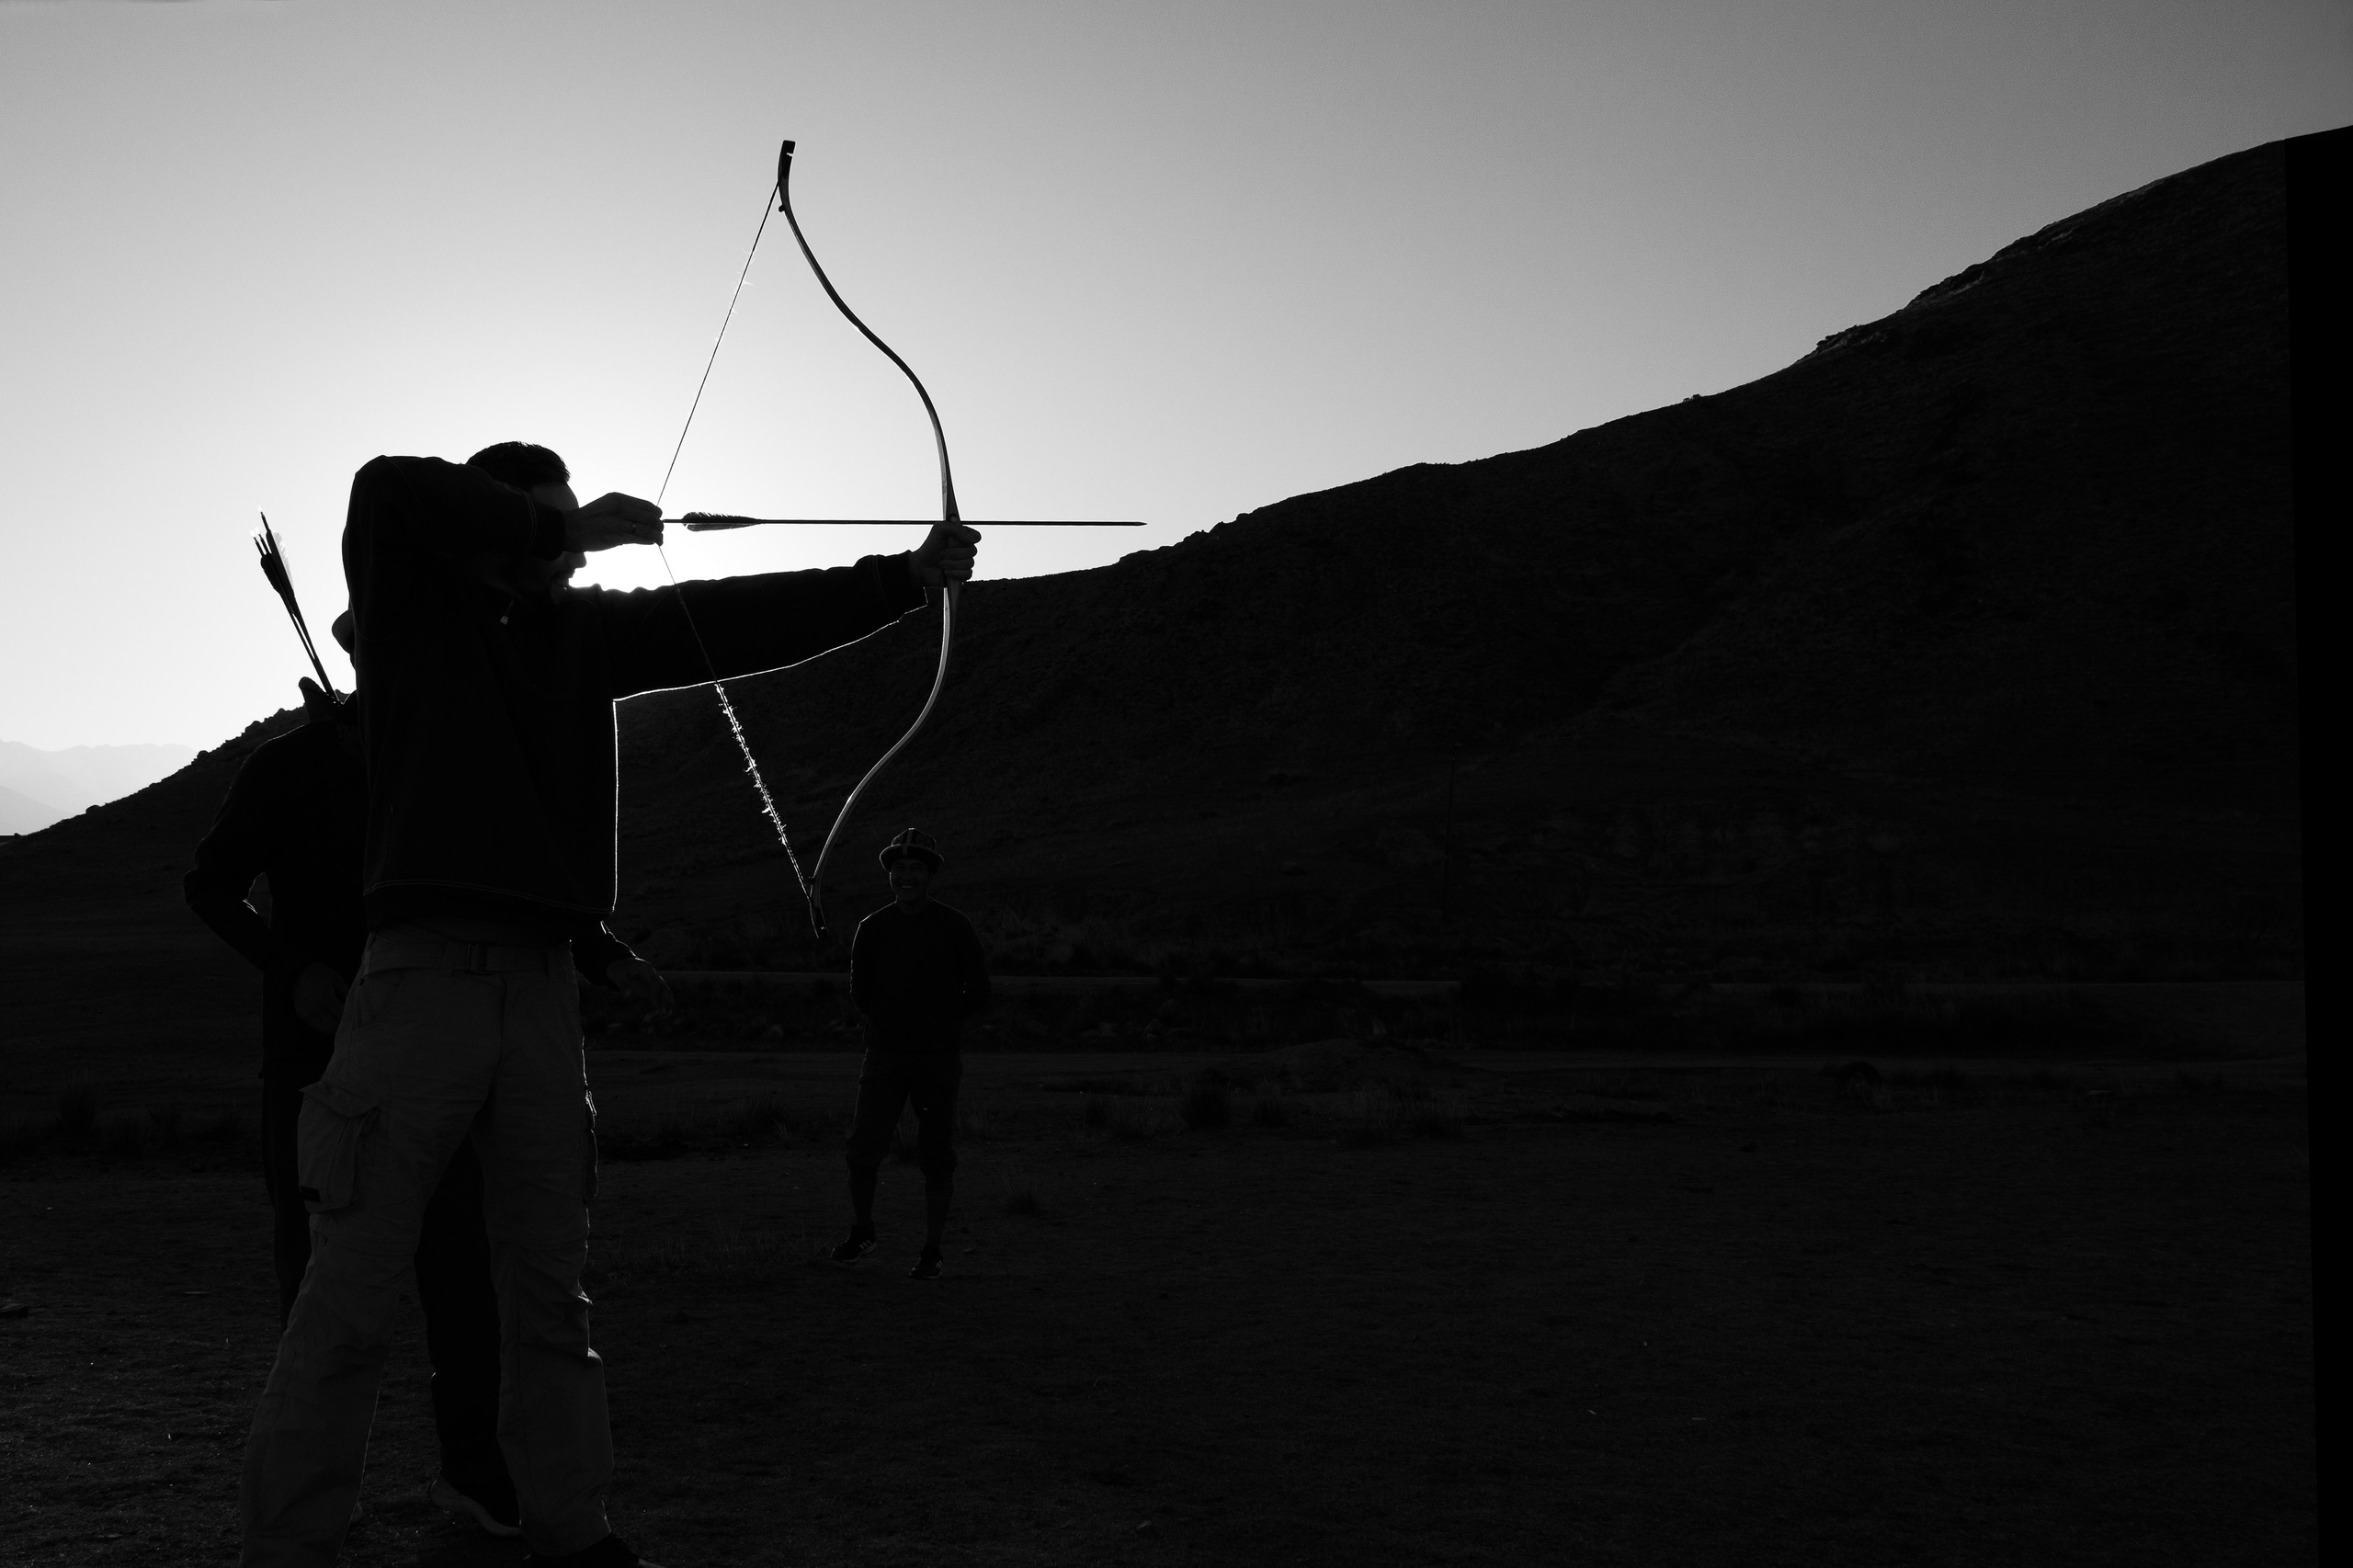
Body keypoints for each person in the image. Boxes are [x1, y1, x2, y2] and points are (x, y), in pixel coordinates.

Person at [237, 442, 977, 1568]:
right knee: (351, 1290)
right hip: (420, 977)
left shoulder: (582, 636)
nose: (558, 553)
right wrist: (566, 532)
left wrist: (903, 581)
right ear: (488, 532)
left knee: (548, 1290)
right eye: (533, 528)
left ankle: (568, 1526)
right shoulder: (409, 614)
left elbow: (735, 621)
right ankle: (289, 1548)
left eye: (563, 529)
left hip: (540, 988)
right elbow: (388, 485)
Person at [188, 615, 651, 1542]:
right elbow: (211, 883)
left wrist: (604, 954)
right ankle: (303, 1519)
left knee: (468, 1280)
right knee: (324, 1282)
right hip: (319, 1053)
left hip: (441, 1055)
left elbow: (522, 887)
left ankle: (479, 1480)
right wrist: (295, 968)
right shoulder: (290, 764)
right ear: (361, 654)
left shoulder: (458, 765)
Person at [833, 828, 991, 1280]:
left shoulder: (954, 926)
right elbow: (859, 992)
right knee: (863, 1151)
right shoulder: (873, 928)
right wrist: (892, 1026)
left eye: (916, 868)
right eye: (898, 869)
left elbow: (978, 992)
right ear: (889, 875)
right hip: (883, 1057)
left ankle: (932, 1250)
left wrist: (939, 1024)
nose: (906, 876)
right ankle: (863, 1233)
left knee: (936, 1155)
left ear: (930, 874)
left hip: (937, 1059)